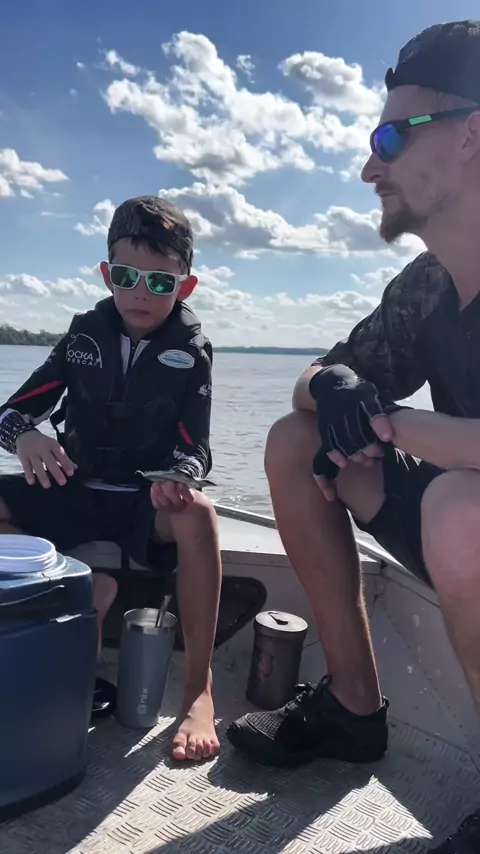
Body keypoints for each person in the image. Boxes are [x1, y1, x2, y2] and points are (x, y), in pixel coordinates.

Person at [227, 20, 480, 851]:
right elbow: (315, 378)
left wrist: (394, 422)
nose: (370, 168)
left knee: (460, 511)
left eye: (389, 139)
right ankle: (352, 707)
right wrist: (335, 385)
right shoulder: (428, 287)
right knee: (294, 441)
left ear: (472, 134)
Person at [0, 196, 222, 763]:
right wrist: (26, 437)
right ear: (107, 275)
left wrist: (180, 476)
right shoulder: (82, 337)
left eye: (160, 281)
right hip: (72, 491)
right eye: (126, 276)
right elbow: (11, 414)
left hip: (143, 505)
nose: (140, 292)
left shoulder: (192, 352)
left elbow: (196, 448)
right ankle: (77, 592)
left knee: (200, 515)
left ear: (185, 286)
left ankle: (199, 689)